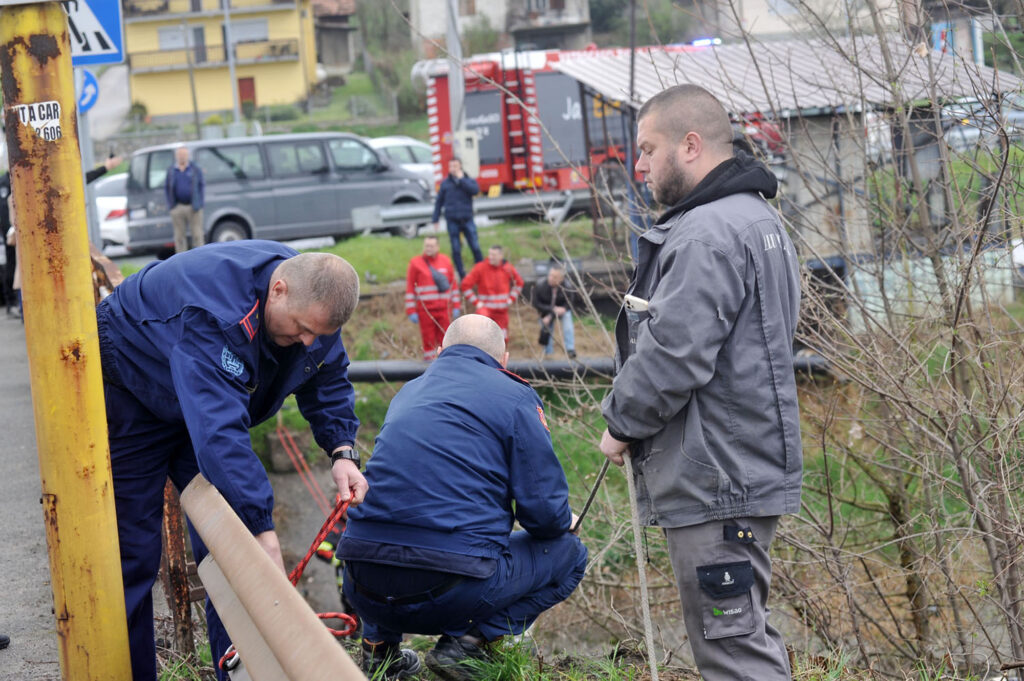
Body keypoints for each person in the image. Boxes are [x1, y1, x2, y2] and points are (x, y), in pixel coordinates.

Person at [598, 84, 801, 681]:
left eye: (647, 149)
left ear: (690, 145)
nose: (638, 166)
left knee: (732, 651)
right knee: (744, 636)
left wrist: (620, 422)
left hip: (718, 478)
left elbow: (675, 356)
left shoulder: (707, 233)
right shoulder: (758, 219)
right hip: (739, 467)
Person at [96, 241, 368, 681]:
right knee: (133, 553)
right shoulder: (216, 314)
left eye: (317, 333)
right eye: (301, 329)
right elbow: (219, 434)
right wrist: (264, 531)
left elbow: (327, 374)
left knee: (232, 547)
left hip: (204, 396)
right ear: (277, 290)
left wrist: (342, 452)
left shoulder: (316, 300)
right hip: (134, 387)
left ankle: (238, 671)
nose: (307, 342)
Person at [336, 314, 587, 681]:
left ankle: (379, 653)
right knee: (570, 554)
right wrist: (565, 521)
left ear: (439, 352)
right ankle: (465, 645)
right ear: (503, 360)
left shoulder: (408, 392)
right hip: (450, 592)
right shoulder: (516, 396)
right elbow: (544, 517)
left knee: (388, 533)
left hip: (361, 584)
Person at [405, 235, 461, 360]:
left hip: (444, 309)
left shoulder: (446, 261)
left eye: (431, 246)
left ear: (438, 247)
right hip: (426, 311)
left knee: (446, 340)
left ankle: (446, 365)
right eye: (426, 246)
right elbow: (410, 288)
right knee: (428, 342)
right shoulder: (415, 263)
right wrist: (411, 310)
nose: (428, 248)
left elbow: (453, 285)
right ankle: (429, 367)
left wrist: (456, 306)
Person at [431, 158, 483, 279]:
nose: (453, 169)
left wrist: (462, 180)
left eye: (455, 166)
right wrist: (435, 219)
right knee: (455, 248)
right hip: (452, 220)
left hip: (467, 218)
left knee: (475, 246)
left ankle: (481, 271)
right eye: (451, 166)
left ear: (460, 167)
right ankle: (461, 274)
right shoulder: (445, 184)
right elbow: (439, 202)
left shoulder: (468, 180)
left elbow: (475, 191)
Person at [460, 245, 523, 340]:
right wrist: (477, 303)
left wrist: (511, 299)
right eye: (490, 254)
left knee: (502, 340)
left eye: (494, 255)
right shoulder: (480, 268)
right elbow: (465, 285)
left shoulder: (507, 268)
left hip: (502, 313)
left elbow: (519, 283)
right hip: (485, 311)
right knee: (483, 339)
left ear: (501, 256)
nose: (491, 257)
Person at [164, 146, 205, 254]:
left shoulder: (195, 169)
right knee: (179, 236)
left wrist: (200, 203)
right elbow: (167, 188)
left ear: (188, 156)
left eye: (184, 155)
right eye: (180, 155)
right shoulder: (172, 170)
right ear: (176, 156)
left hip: (193, 206)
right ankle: (181, 258)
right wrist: (171, 206)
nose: (182, 157)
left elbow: (201, 186)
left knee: (197, 234)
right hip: (178, 207)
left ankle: (200, 256)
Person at [530, 263, 576, 359]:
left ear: (561, 279)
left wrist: (563, 309)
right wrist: (551, 311)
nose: (551, 278)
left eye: (555, 277)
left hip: (561, 310)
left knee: (567, 320)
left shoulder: (567, 287)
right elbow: (535, 303)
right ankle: (548, 352)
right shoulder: (540, 285)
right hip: (545, 310)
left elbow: (570, 303)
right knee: (546, 327)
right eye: (550, 275)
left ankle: (570, 349)